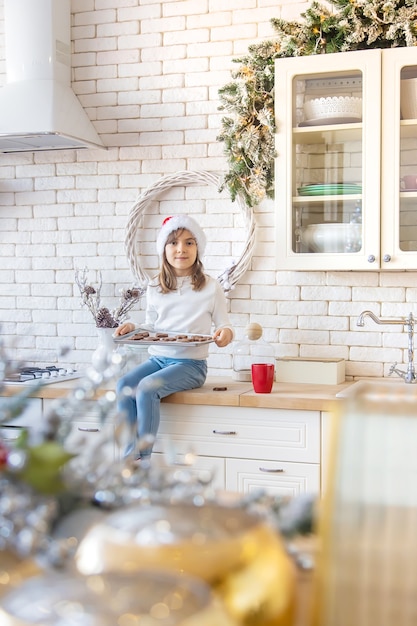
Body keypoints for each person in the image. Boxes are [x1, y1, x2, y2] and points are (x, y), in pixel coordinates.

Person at [115, 214, 234, 462]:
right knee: (124, 385)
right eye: (174, 243)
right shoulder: (155, 286)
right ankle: (126, 455)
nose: (181, 249)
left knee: (147, 388)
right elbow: (151, 325)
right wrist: (133, 327)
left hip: (190, 365)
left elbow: (224, 325)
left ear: (198, 248)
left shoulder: (211, 287)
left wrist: (225, 335)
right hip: (158, 360)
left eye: (189, 243)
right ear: (163, 249)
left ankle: (139, 461)